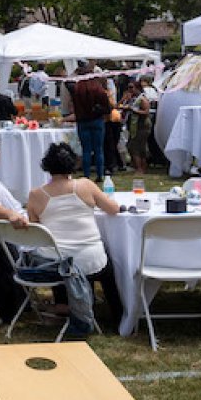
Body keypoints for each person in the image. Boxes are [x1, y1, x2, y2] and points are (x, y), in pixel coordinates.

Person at [25, 142, 124, 338]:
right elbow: (113, 209)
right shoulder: (86, 185)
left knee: (57, 255)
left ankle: (64, 306)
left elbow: (35, 227)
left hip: (57, 262)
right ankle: (118, 314)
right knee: (108, 269)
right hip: (90, 260)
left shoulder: (36, 195)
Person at [68, 64, 112, 182]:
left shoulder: (76, 90)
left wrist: (75, 73)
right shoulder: (99, 90)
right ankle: (99, 174)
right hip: (97, 120)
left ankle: (86, 175)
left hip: (82, 121)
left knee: (86, 150)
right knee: (98, 149)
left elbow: (67, 82)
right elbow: (108, 109)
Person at [124, 80, 155, 176]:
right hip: (134, 126)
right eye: (128, 87)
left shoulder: (142, 99)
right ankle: (138, 166)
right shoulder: (133, 98)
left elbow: (146, 112)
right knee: (134, 147)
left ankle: (140, 168)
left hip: (142, 126)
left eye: (131, 87)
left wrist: (133, 110)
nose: (129, 89)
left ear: (137, 88)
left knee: (137, 148)